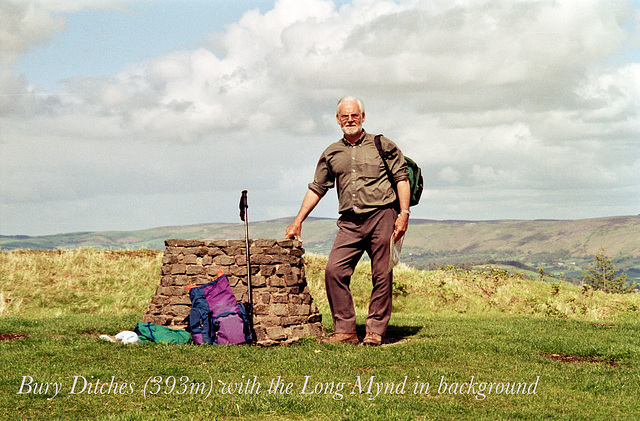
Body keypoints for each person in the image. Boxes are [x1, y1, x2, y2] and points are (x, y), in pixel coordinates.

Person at [285, 95, 411, 346]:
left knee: (382, 275)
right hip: (349, 222)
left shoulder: (383, 145)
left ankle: (375, 331)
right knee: (334, 271)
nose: (350, 119)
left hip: (382, 216)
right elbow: (317, 187)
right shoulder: (331, 152)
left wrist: (403, 214)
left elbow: (401, 179)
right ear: (338, 119)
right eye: (345, 116)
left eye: (355, 115)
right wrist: (298, 220)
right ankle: (345, 331)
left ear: (363, 117)